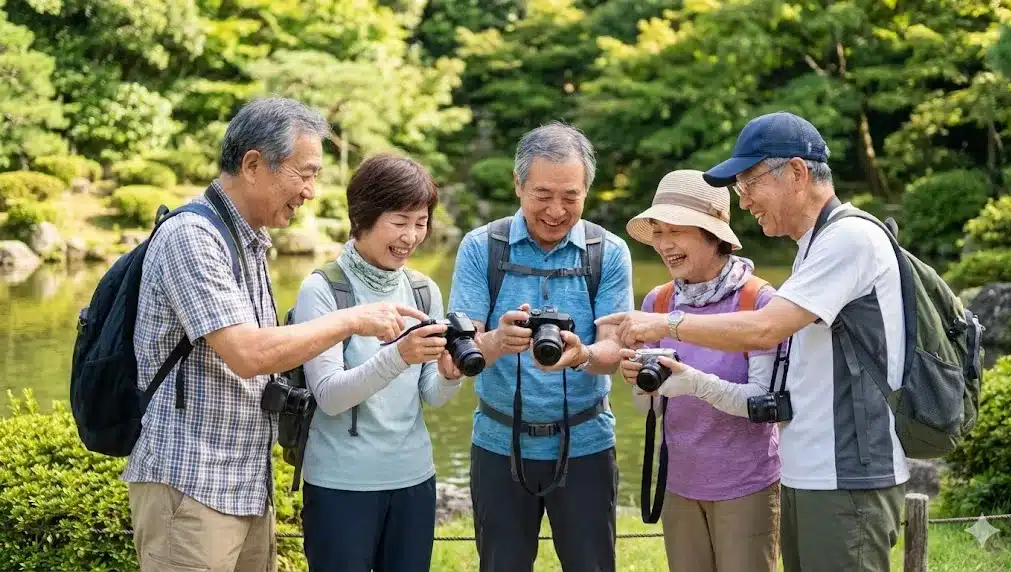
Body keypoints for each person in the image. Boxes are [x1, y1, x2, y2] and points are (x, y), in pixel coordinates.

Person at [121, 98, 427, 572]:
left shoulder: (247, 243)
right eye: (304, 174)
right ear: (253, 165)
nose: (309, 191)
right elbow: (246, 353)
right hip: (190, 485)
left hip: (243, 486)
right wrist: (353, 320)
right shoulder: (193, 236)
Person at [597, 111, 909, 572]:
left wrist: (666, 326)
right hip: (811, 470)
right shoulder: (812, 248)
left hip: (849, 472)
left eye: (749, 184)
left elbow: (765, 328)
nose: (744, 202)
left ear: (798, 173)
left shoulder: (850, 239)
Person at [447, 121, 634, 572]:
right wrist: (495, 341)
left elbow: (614, 352)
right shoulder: (482, 248)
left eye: (570, 197)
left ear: (587, 191)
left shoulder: (606, 252)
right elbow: (460, 351)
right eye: (542, 195)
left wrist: (583, 354)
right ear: (518, 185)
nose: (556, 209)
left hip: (586, 443)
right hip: (499, 442)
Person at [292, 154, 465, 572]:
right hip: (340, 485)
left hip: (413, 480)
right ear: (363, 216)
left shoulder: (423, 290)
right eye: (399, 221)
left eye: (420, 222)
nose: (411, 236)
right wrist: (399, 356)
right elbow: (330, 396)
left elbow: (431, 397)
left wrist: (449, 374)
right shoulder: (323, 289)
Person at [618, 169, 781, 572]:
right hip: (679, 483)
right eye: (658, 231)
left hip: (747, 486)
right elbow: (649, 411)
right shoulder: (657, 301)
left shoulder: (757, 302)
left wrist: (692, 382)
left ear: (714, 234)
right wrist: (640, 385)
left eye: (677, 230)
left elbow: (764, 403)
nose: (664, 245)